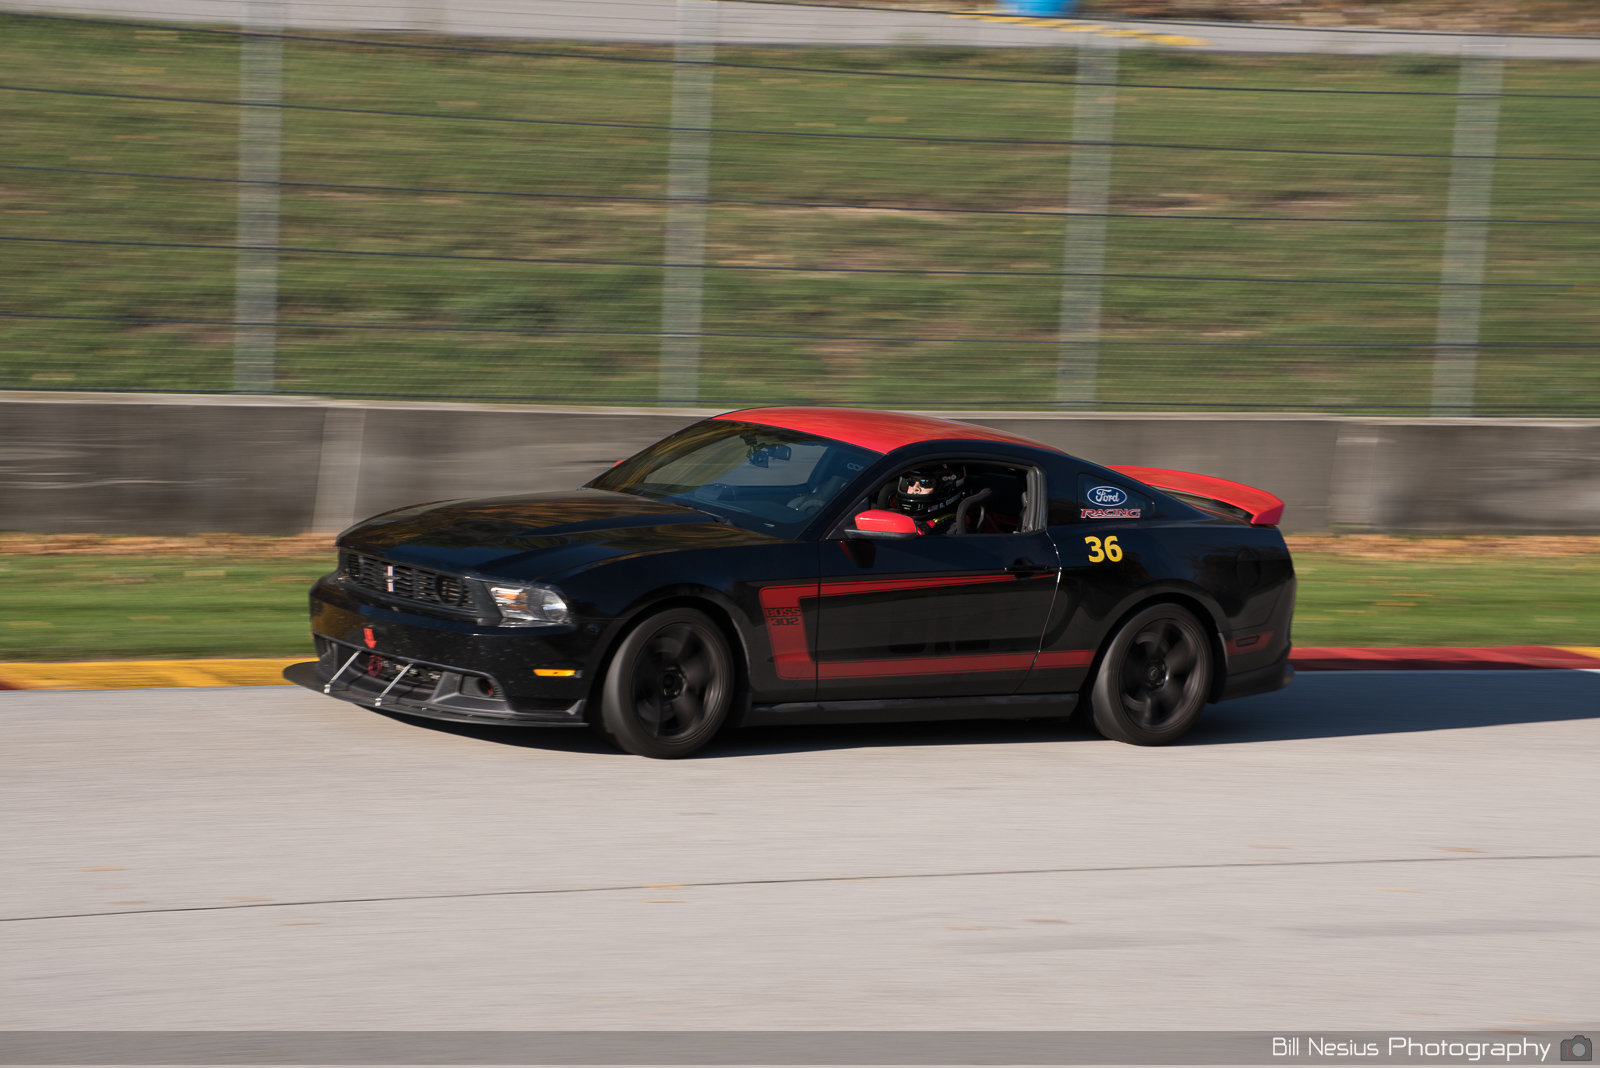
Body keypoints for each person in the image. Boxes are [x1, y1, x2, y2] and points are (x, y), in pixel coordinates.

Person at [882, 464, 971, 535]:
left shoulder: (953, 531)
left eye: (925, 483)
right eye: (911, 481)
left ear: (946, 488)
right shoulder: (890, 516)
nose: (915, 488)